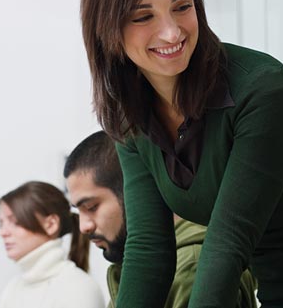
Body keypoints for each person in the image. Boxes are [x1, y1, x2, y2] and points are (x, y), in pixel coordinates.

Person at [80, 0, 283, 307]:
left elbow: (228, 242)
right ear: (106, 30)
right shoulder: (129, 113)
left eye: (182, 6)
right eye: (144, 16)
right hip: (268, 281)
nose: (172, 32)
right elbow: (148, 248)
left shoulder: (262, 88)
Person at [63, 131, 258, 308]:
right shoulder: (130, 272)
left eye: (91, 207)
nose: (83, 226)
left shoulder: (191, 270)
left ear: (134, 191)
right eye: (78, 211)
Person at [0, 181, 104, 308]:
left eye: (14, 221)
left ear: (51, 224)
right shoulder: (12, 289)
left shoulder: (79, 288)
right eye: (2, 223)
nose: (3, 232)